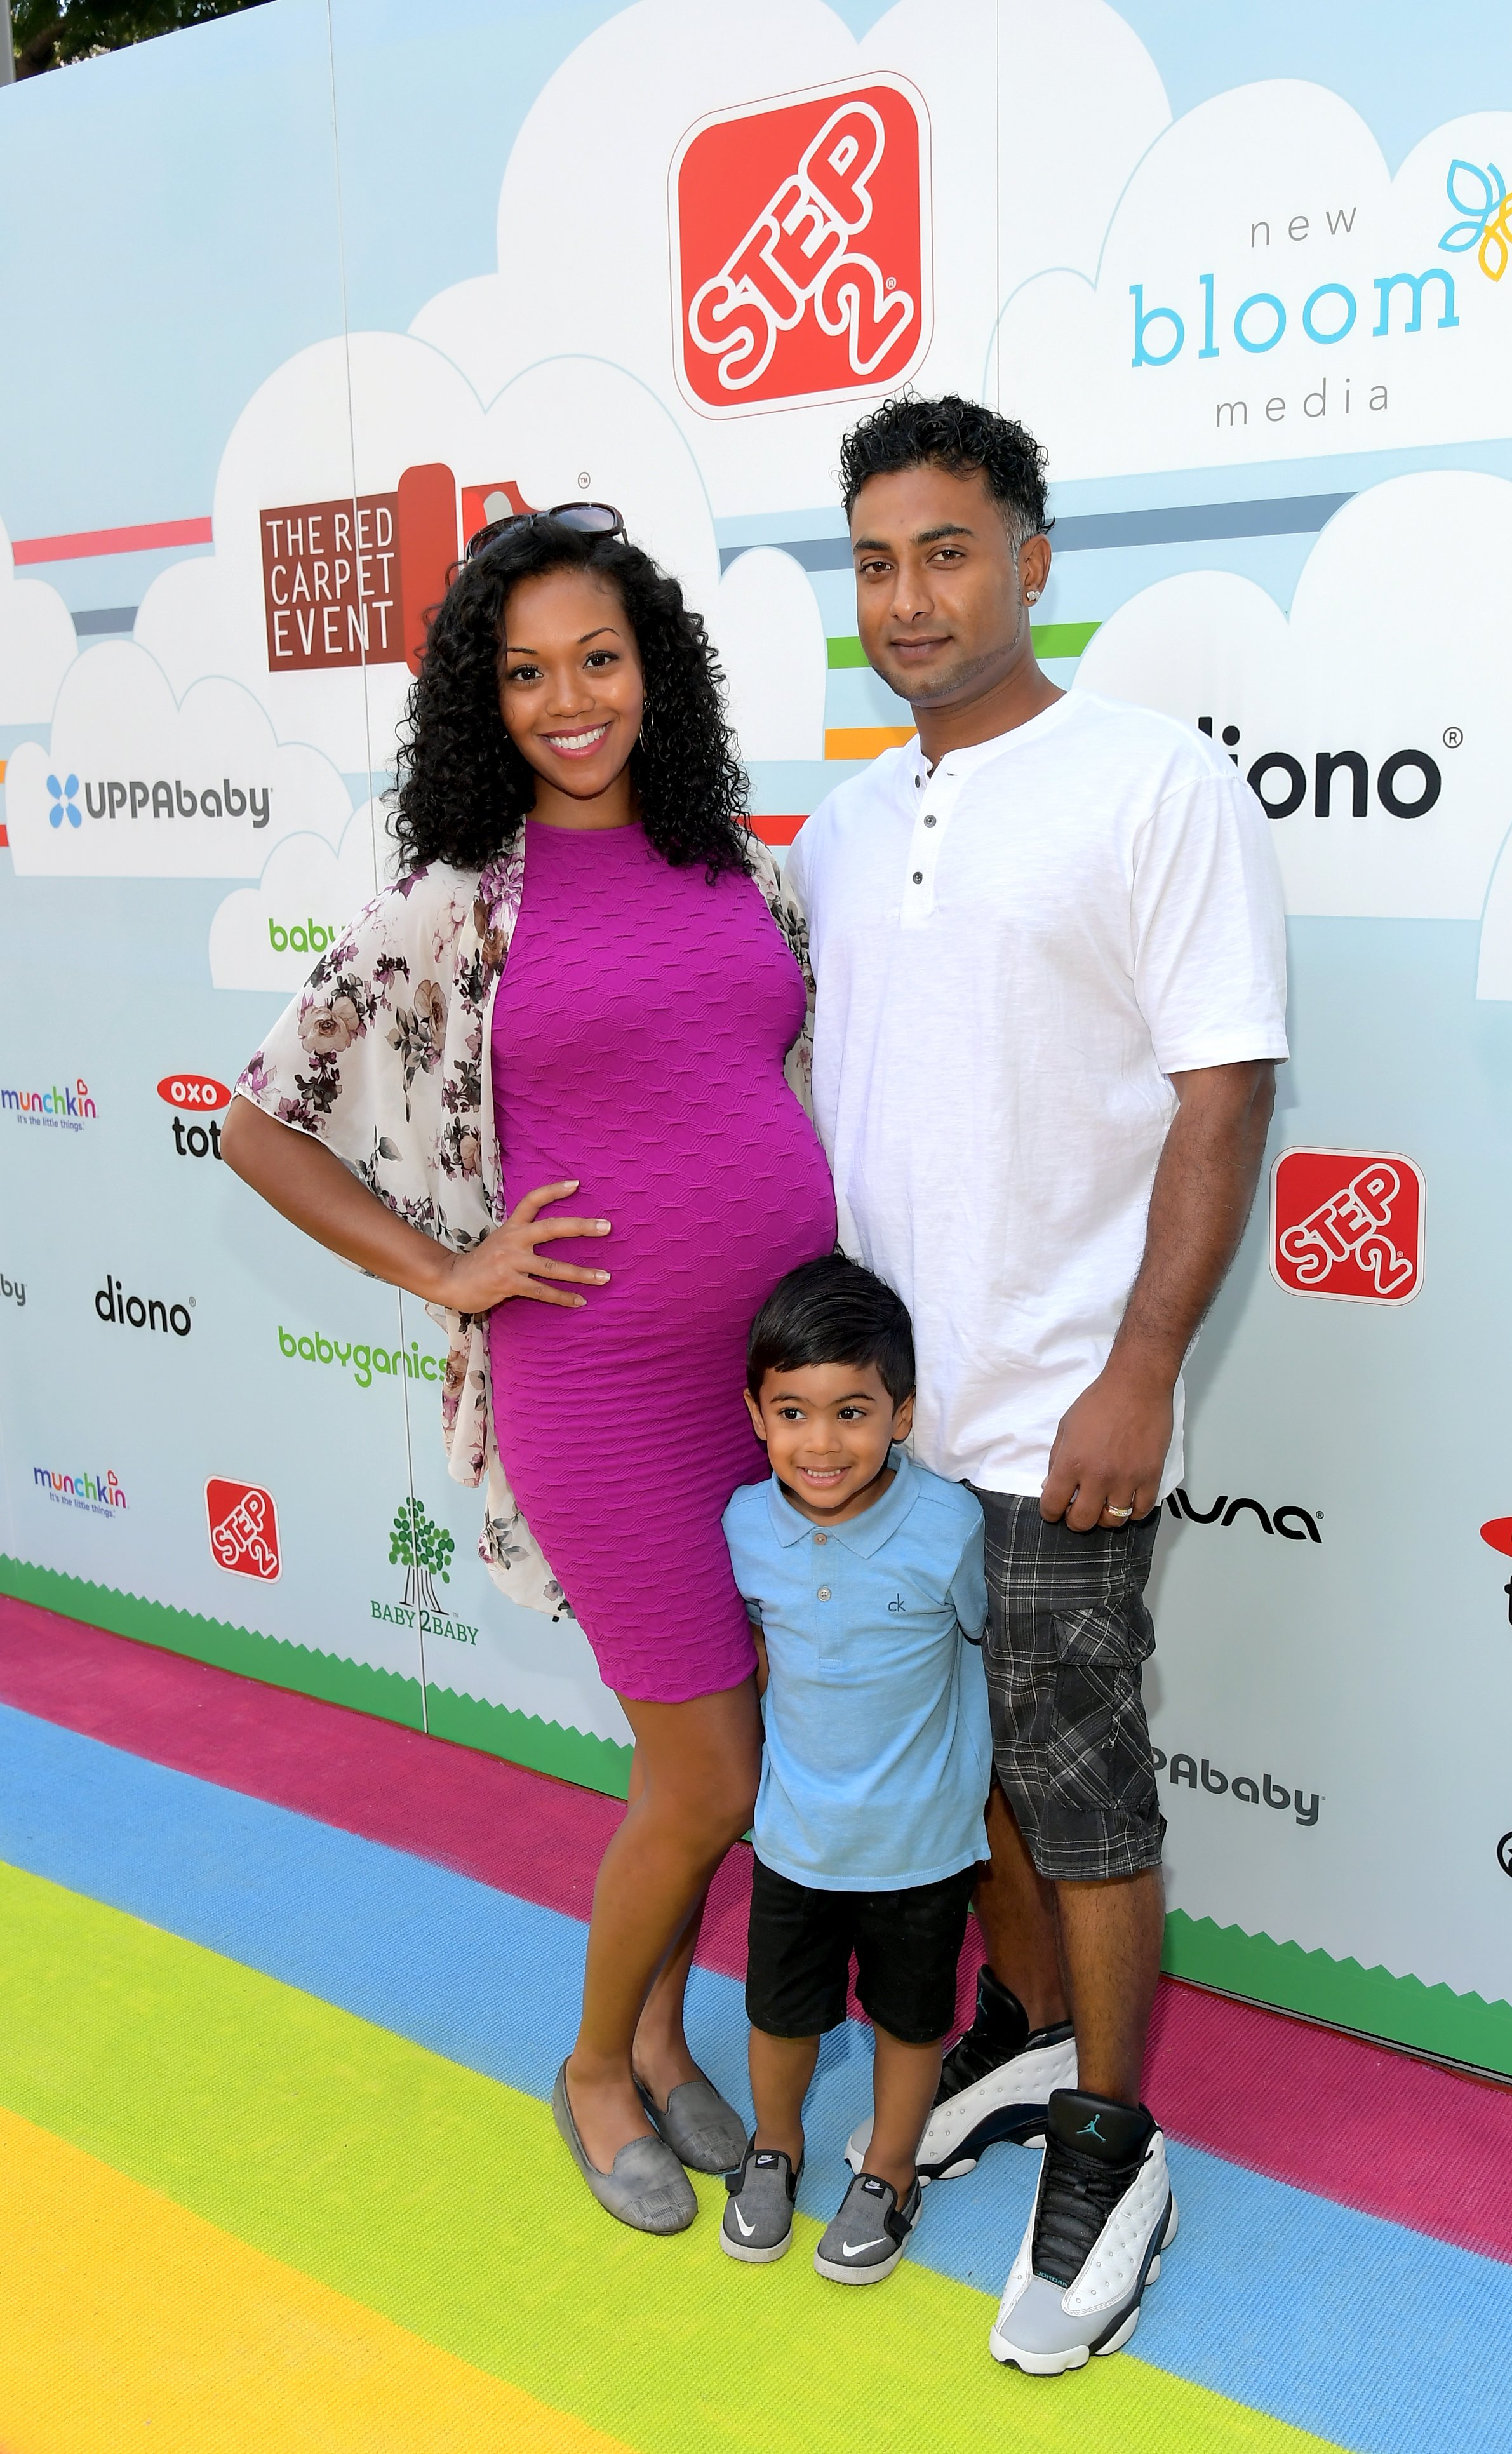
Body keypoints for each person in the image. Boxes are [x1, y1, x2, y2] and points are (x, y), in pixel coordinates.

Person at [222, 505, 835, 2238]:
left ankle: (658, 2029)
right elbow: (258, 1125)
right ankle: (588, 2062)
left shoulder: (748, 869)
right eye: (524, 673)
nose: (568, 701)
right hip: (601, 1390)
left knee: (719, 1754)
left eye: (599, 660)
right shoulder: (448, 912)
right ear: (479, 703)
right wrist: (442, 1269)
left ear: (655, 673)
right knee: (708, 1771)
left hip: (777, 1394)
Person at [787, 397, 1288, 2372]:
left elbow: (1222, 1090)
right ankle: (1020, 2036)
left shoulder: (1150, 783)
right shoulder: (839, 820)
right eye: (878, 561)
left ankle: (1110, 2135)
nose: (911, 597)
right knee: (963, 1776)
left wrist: (1140, 1368)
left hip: (1066, 1411)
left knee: (1082, 1796)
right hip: (879, 1440)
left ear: (1031, 560)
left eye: (948, 551)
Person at [718, 1254, 989, 2284]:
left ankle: (889, 2169)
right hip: (796, 1838)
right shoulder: (746, 1526)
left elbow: (978, 1646)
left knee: (910, 2019)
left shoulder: (948, 1529)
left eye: (852, 1413)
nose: (821, 1443)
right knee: (781, 2012)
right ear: (757, 1415)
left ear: (902, 1415)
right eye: (793, 1413)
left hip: (921, 1847)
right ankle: (774, 2146)